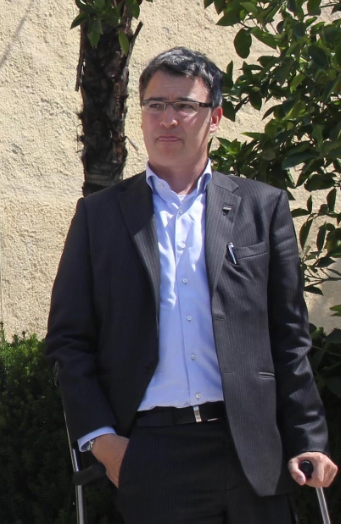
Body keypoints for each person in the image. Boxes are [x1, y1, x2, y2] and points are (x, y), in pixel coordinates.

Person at [46, 47, 337, 523]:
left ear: (214, 117)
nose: (168, 119)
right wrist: (102, 441)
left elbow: (289, 336)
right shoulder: (100, 217)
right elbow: (69, 340)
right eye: (156, 105)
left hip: (251, 451)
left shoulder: (262, 208)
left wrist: (308, 438)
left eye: (185, 105)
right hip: (152, 454)